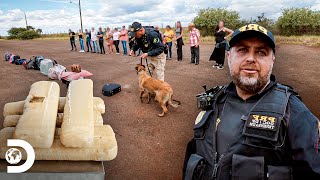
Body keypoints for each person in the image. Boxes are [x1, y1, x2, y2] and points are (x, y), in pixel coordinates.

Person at [182, 24, 320, 180]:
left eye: (261, 52)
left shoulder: (294, 111)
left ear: (272, 60)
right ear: (229, 57)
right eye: (242, 50)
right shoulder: (213, 100)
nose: (250, 58)